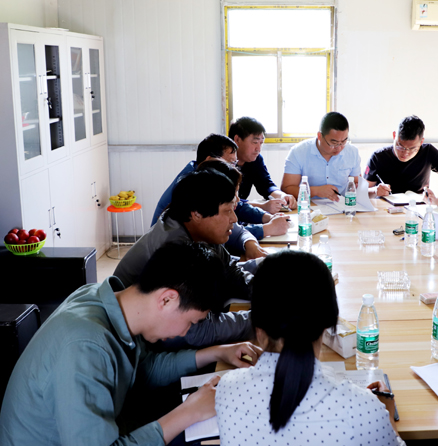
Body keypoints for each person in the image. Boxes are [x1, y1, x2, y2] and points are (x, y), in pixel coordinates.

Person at [0, 242, 263, 446]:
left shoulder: (105, 300)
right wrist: (189, 413)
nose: (187, 331)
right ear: (167, 299)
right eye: (191, 322)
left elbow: (145, 369)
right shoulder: (85, 347)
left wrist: (217, 352)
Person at [215, 251, 404, 446]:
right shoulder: (364, 411)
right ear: (327, 324)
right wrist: (388, 420)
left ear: (258, 328)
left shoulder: (227, 390)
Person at [114, 167, 259, 347]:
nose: (235, 219)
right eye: (227, 211)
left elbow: (230, 271)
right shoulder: (175, 249)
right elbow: (196, 330)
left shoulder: (199, 230)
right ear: (196, 214)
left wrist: (268, 293)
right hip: (143, 346)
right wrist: (265, 320)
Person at [151, 133, 289, 242]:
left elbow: (235, 206)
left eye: (235, 164)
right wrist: (267, 229)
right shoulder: (196, 185)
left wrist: (266, 217)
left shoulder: (202, 174)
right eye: (230, 163)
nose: (233, 168)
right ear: (210, 160)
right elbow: (218, 230)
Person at [365, 115, 438, 200]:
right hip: (386, 209)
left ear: (421, 142)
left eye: (412, 149)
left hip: (417, 209)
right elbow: (362, 192)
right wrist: (375, 191)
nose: (405, 153)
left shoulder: (428, 152)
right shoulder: (378, 157)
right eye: (400, 146)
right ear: (394, 136)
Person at [281, 112, 362, 202]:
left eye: (343, 142)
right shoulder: (298, 152)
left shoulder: (352, 152)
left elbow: (357, 183)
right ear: (319, 136)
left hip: (343, 206)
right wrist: (315, 191)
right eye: (334, 143)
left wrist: (359, 188)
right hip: (309, 206)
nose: (339, 148)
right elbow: (286, 189)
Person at [229, 116, 297, 212]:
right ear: (237, 140)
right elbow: (229, 202)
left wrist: (283, 196)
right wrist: (262, 206)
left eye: (261, 143)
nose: (258, 149)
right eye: (255, 142)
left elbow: (266, 185)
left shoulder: (255, 159)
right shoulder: (222, 162)